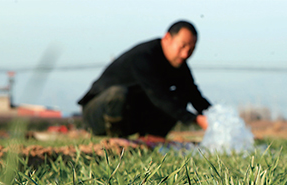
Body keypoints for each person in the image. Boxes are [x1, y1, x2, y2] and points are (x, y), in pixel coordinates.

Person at [78, 21, 211, 138]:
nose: (185, 54)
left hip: (131, 115)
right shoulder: (143, 57)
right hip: (97, 113)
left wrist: (215, 117)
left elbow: (194, 96)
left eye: (191, 49)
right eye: (182, 46)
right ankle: (116, 139)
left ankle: (152, 137)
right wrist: (195, 120)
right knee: (118, 94)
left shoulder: (180, 64)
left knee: (181, 94)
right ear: (167, 38)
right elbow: (159, 97)